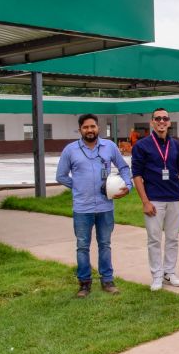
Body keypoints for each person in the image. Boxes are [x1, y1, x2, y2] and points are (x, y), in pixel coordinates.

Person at [56, 113, 131, 298]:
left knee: (105, 244)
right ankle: (84, 284)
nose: (90, 130)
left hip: (105, 207)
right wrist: (78, 186)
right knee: (82, 246)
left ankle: (107, 280)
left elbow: (123, 167)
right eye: (86, 127)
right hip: (82, 208)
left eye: (92, 126)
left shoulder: (109, 147)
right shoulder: (70, 150)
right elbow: (61, 176)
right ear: (80, 130)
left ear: (98, 128)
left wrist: (127, 186)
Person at [131, 108, 179, 291]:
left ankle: (169, 272)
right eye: (158, 118)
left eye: (165, 118)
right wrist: (145, 201)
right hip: (154, 199)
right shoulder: (141, 146)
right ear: (152, 122)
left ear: (169, 122)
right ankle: (156, 276)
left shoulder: (176, 145)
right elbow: (137, 175)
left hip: (175, 197)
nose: (162, 121)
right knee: (154, 239)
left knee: (173, 238)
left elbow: (177, 168)